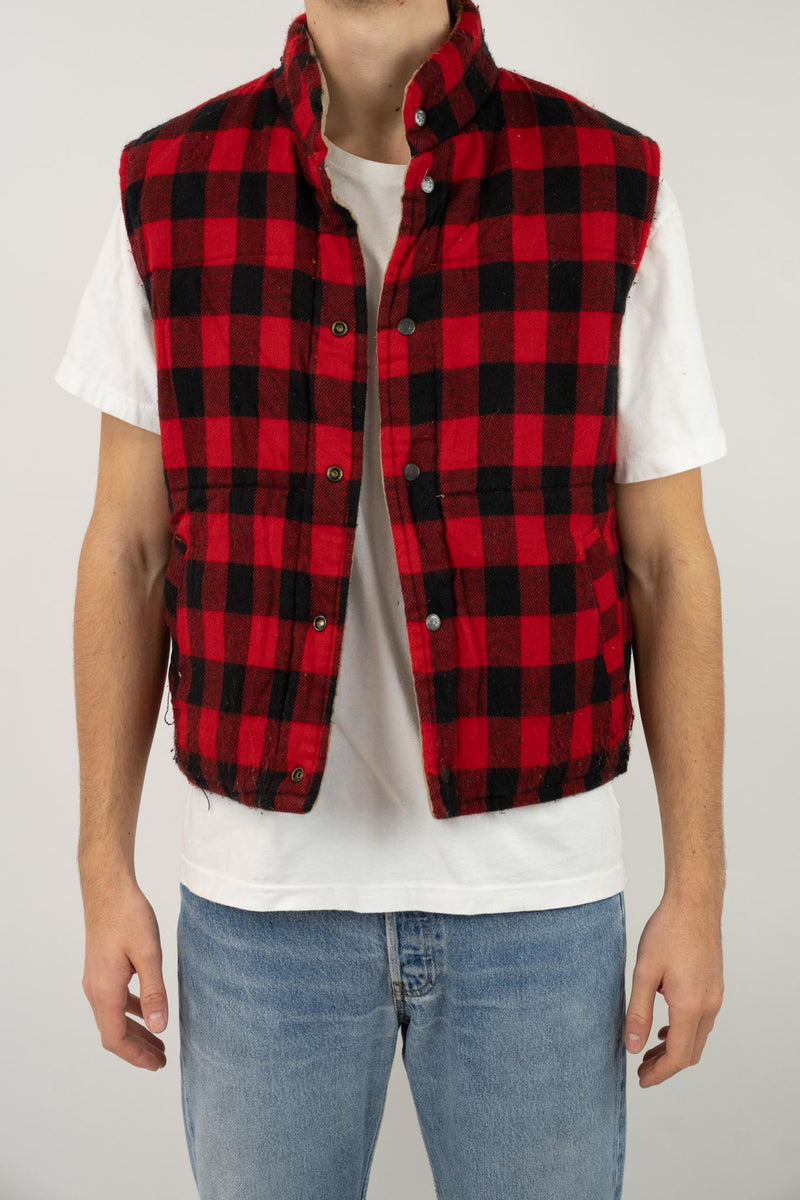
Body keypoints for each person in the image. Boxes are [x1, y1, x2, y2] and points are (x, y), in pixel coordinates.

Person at [56, 0, 727, 1196]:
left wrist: (699, 891)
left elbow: (667, 562)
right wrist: (102, 870)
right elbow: (127, 549)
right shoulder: (171, 186)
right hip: (259, 912)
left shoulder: (604, 182)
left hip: (537, 905)